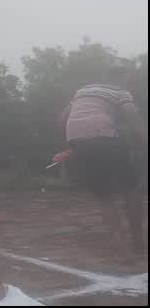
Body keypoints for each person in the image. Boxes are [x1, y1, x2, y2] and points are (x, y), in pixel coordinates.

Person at [60, 62, 148, 257]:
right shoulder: (120, 91)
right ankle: (138, 242)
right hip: (103, 135)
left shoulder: (83, 90)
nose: (129, 83)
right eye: (129, 79)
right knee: (131, 189)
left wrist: (69, 144)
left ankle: (120, 248)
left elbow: (62, 117)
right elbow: (132, 114)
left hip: (76, 138)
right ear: (122, 77)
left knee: (104, 195)